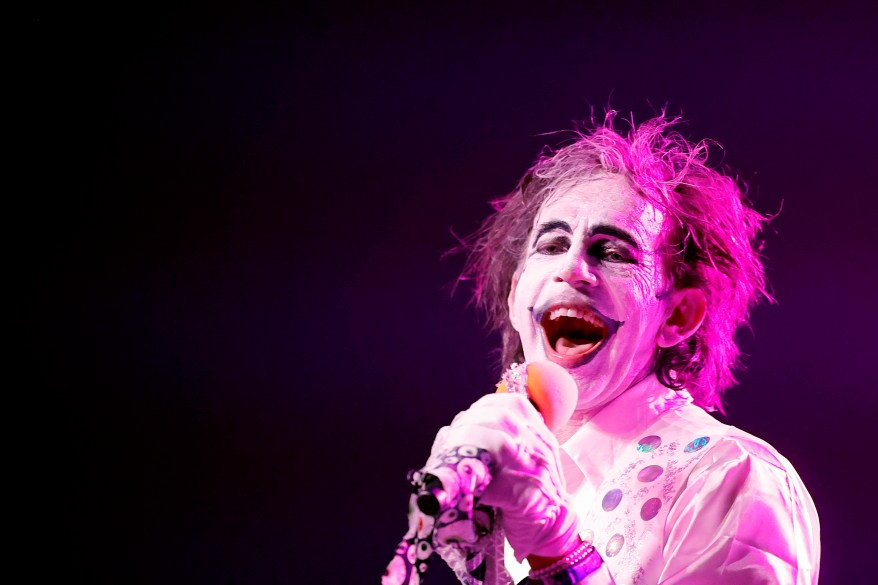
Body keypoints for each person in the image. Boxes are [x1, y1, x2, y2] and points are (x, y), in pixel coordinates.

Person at [384, 112, 820, 585]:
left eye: (612, 252)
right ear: (516, 298)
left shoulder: (733, 477)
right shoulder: (507, 483)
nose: (571, 268)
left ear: (677, 316)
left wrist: (558, 550)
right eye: (551, 244)